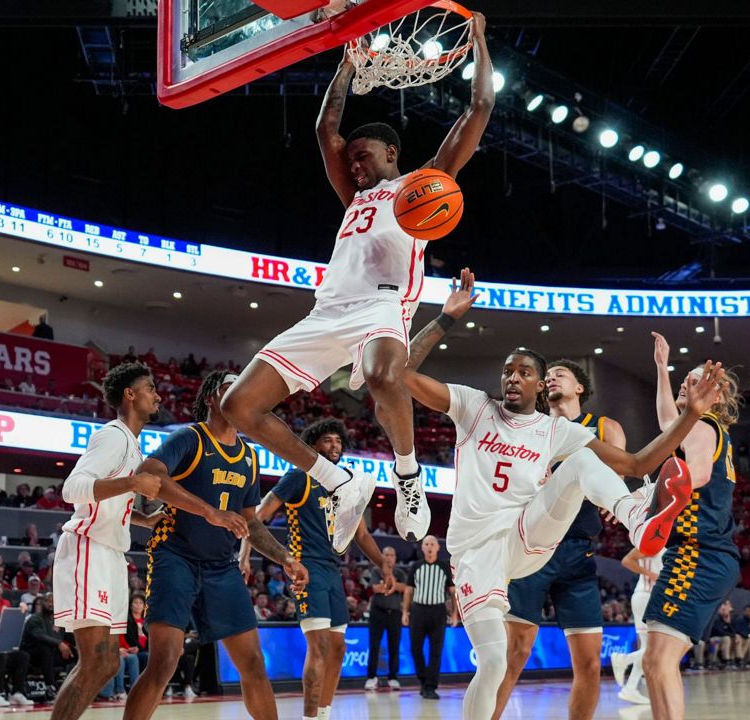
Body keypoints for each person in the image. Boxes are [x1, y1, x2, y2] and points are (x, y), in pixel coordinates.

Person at [220, 14, 496, 549]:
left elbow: (479, 107)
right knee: (238, 406)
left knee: (381, 375)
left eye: (363, 157)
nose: (356, 166)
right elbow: (326, 130)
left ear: (391, 153)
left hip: (383, 305)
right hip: (326, 311)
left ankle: (409, 475)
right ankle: (339, 482)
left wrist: (480, 41)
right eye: (352, 161)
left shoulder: (424, 185)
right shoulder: (354, 196)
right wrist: (346, 66)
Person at [398, 310, 726, 719]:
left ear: (538, 384)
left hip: (531, 540)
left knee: (580, 462)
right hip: (477, 553)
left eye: (523, 372)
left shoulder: (557, 430)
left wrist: (692, 414)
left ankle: (637, 517)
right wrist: (446, 317)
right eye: (507, 371)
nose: (513, 378)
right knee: (496, 662)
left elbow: (637, 464)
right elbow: (403, 375)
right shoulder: (474, 405)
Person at [49, 363, 248, 720]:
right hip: (88, 547)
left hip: (111, 552)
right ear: (130, 394)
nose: (158, 395)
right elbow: (72, 489)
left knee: (108, 663)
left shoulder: (134, 446)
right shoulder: (113, 435)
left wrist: (143, 517)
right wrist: (131, 485)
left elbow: (112, 502)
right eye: (150, 388)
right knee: (94, 662)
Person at [125, 370, 308, 720]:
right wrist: (209, 511)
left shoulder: (249, 457)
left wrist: (285, 557)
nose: (237, 394)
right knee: (164, 660)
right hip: (175, 554)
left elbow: (250, 522)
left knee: (253, 663)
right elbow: (149, 476)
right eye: (228, 389)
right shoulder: (190, 438)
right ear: (211, 398)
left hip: (221, 566)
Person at [494, 356, 628, 720]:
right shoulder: (529, 427)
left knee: (588, 662)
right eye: (547, 375)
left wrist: (616, 498)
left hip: (579, 552)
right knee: (513, 655)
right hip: (531, 549)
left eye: (561, 374)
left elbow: (620, 473)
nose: (551, 378)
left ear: (580, 387)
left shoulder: (604, 427)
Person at [240, 418, 394, 720]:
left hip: (333, 570)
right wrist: (245, 554)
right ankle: (309, 717)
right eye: (327, 440)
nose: (334, 444)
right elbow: (259, 516)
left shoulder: (346, 484)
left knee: (338, 649)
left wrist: (384, 567)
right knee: (320, 646)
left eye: (338, 440)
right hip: (306, 568)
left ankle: (323, 714)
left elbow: (361, 533)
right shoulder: (299, 476)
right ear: (313, 445)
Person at [641, 332, 744, 720]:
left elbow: (694, 475)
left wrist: (653, 497)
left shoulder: (704, 427)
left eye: (699, 380)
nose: (688, 382)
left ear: (716, 396)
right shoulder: (701, 428)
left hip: (699, 555)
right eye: (687, 378)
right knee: (655, 661)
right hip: (700, 555)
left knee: (660, 660)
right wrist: (661, 368)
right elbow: (670, 423)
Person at [403, 535, 455, 700]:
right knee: (415, 649)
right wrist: (405, 611)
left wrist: (454, 614)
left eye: (432, 544)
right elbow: (408, 590)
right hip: (418, 611)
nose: (430, 546)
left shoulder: (444, 567)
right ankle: (424, 681)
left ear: (438, 547)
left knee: (436, 651)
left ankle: (430, 686)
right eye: (426, 544)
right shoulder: (416, 566)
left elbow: (452, 593)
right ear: (422, 548)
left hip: (438, 612)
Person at [612, 547, 664, 705]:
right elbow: (627, 560)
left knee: (650, 648)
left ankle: (630, 688)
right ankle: (623, 659)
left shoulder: (671, 544)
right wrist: (651, 575)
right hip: (646, 595)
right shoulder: (654, 540)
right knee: (655, 648)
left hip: (651, 597)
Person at [365, 546, 407, 691]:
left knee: (394, 646)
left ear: (395, 558)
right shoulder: (376, 571)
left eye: (392, 555)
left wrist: (392, 585)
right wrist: (391, 585)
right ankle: (371, 677)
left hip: (395, 613)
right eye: (386, 555)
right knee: (374, 645)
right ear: (382, 557)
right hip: (378, 612)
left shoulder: (400, 572)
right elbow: (375, 588)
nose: (389, 558)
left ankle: (393, 677)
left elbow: (406, 588)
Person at [22, 595, 70, 702]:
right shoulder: (35, 618)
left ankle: (75, 688)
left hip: (53, 655)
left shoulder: (59, 621)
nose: (51, 604)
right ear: (42, 603)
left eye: (53, 601)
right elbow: (38, 635)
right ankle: (50, 688)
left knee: (78, 653)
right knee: (46, 648)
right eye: (48, 601)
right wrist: (59, 643)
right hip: (33, 654)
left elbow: (70, 637)